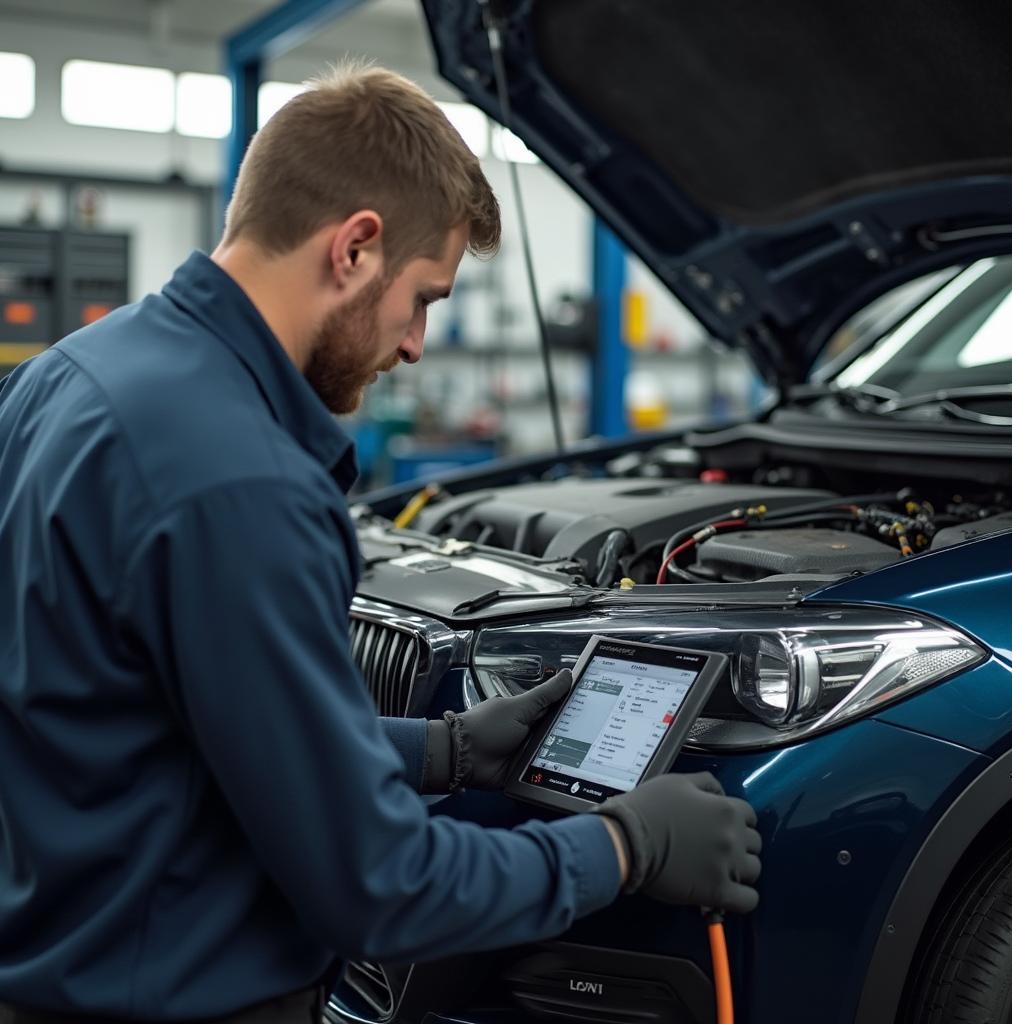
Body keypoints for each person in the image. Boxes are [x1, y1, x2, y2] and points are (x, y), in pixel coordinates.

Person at [0, 64, 761, 1024]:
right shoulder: (244, 482)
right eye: (426, 298)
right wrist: (623, 846)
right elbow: (380, 885)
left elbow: (163, 721)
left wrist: (441, 750)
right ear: (356, 248)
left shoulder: (62, 380)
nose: (414, 347)